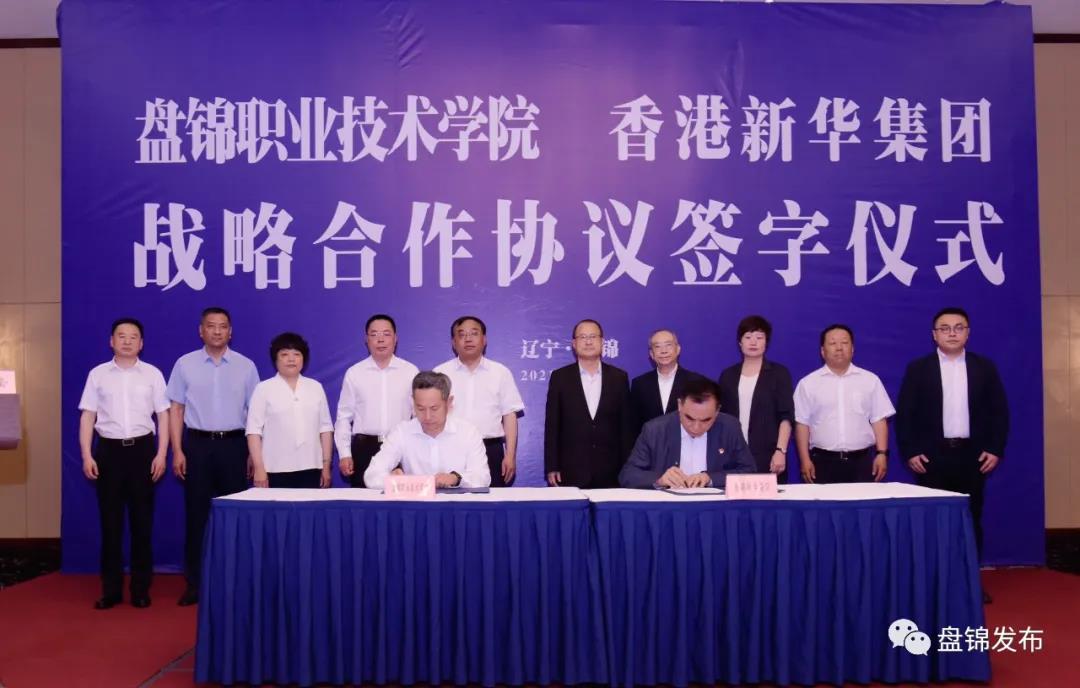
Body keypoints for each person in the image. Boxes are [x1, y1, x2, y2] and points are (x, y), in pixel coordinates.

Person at [896, 307, 1008, 602]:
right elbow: (905, 414)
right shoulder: (919, 369)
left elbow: (999, 412)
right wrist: (910, 451)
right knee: (933, 522)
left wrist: (995, 449)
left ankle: (970, 582)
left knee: (970, 520)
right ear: (934, 335)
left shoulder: (984, 368)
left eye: (959, 327)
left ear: (968, 333)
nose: (952, 333)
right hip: (932, 459)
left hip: (973, 458)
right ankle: (934, 584)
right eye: (945, 328)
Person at [167, 306, 259, 607]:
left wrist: (253, 453)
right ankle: (195, 583)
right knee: (196, 516)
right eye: (211, 325)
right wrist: (177, 450)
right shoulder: (185, 364)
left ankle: (237, 582)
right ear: (201, 330)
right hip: (197, 446)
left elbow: (255, 414)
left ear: (230, 332)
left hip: (234, 445)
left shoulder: (246, 366)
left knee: (236, 516)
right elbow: (176, 409)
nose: (217, 331)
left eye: (223, 326)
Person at [78, 318, 170, 609]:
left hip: (143, 452)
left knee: (142, 524)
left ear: (141, 343)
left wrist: (161, 454)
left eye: (133, 337)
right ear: (111, 341)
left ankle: (141, 589)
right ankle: (111, 590)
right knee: (111, 525)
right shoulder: (98, 375)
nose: (127, 341)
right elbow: (88, 416)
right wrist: (87, 455)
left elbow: (164, 416)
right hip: (109, 453)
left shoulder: (153, 374)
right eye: (121, 336)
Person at [794, 324, 895, 484]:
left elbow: (879, 419)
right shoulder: (808, 384)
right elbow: (802, 424)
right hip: (822, 462)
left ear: (853, 349)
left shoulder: (870, 380)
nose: (839, 348)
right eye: (833, 343)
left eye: (844, 342)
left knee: (863, 501)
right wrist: (804, 460)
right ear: (822, 351)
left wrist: (882, 454)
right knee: (824, 501)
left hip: (862, 462)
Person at [434, 316, 524, 486]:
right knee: (450, 500)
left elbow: (509, 415)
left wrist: (510, 455)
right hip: (450, 448)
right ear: (453, 342)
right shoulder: (440, 373)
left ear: (484, 340)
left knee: (493, 500)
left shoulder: (500, 372)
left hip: (491, 449)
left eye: (474, 333)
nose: (468, 339)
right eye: (462, 335)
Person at [544, 319, 634, 488]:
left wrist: (628, 467)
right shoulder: (560, 377)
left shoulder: (619, 377)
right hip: (571, 469)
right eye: (583, 337)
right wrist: (552, 466)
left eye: (593, 336)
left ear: (602, 342)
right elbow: (553, 425)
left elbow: (625, 427)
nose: (588, 341)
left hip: (612, 470)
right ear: (574, 343)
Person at [620, 377, 755, 488]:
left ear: (717, 411)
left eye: (706, 420)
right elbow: (628, 475)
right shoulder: (655, 430)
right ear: (680, 405)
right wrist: (660, 479)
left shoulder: (730, 427)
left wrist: (711, 478)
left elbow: (749, 471)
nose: (696, 427)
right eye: (689, 418)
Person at [364, 371, 491, 489]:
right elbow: (371, 476)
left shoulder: (468, 432)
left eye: (434, 408)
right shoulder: (401, 432)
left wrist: (456, 478)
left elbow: (482, 477)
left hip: (457, 504)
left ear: (449, 403)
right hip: (415, 504)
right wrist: (391, 480)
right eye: (420, 408)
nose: (427, 417)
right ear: (413, 403)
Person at [335, 314, 419, 487]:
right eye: (374, 334)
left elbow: (418, 416)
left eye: (386, 334)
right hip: (364, 449)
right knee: (362, 501)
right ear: (366, 340)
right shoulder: (355, 373)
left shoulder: (410, 371)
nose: (380, 340)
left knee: (402, 499)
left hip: (400, 447)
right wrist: (344, 453)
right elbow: (344, 417)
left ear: (395, 339)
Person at [246, 332, 333, 488]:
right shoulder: (263, 389)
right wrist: (259, 468)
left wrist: (326, 466)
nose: (291, 359)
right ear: (275, 359)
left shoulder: (315, 387)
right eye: (284, 354)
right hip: (274, 469)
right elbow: (253, 431)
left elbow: (325, 428)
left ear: (304, 359)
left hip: (311, 467)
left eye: (297, 354)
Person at [717, 315, 795, 481]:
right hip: (733, 454)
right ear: (740, 343)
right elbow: (721, 416)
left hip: (768, 455)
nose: (753, 342)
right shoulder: (728, 375)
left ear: (766, 342)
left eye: (759, 337)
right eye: (748, 337)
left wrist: (780, 451)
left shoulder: (779, 374)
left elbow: (786, 416)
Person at [629, 329, 705, 434]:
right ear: (651, 354)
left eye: (668, 345)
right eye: (657, 346)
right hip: (650, 443)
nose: (663, 351)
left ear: (678, 349)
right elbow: (633, 424)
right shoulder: (639, 384)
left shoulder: (696, 382)